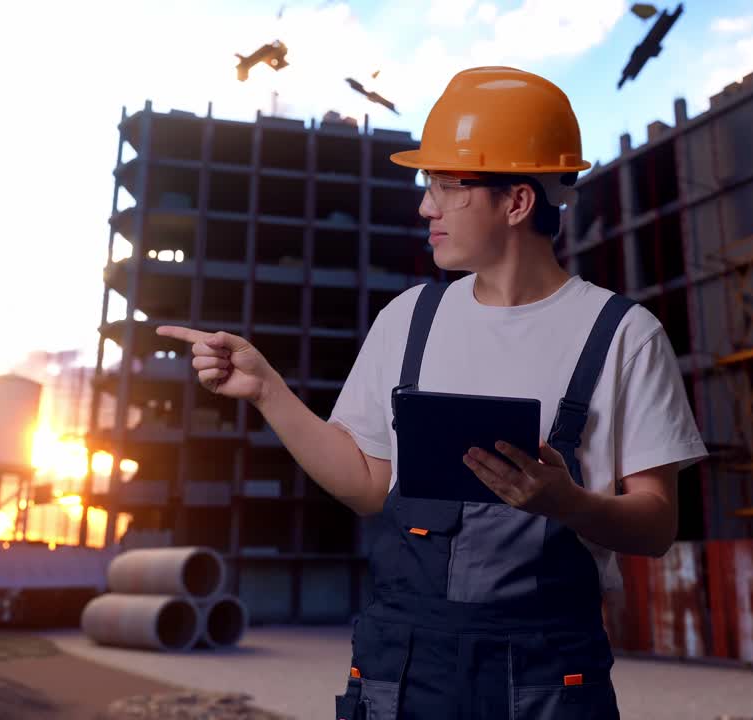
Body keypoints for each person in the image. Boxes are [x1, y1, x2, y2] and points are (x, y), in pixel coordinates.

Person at [159, 66, 707, 719]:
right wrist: (267, 391)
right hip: (402, 673)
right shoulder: (409, 319)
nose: (426, 207)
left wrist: (567, 503)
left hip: (545, 682)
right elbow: (369, 485)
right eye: (429, 185)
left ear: (517, 202)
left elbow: (656, 524)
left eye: (447, 186)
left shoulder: (622, 336)